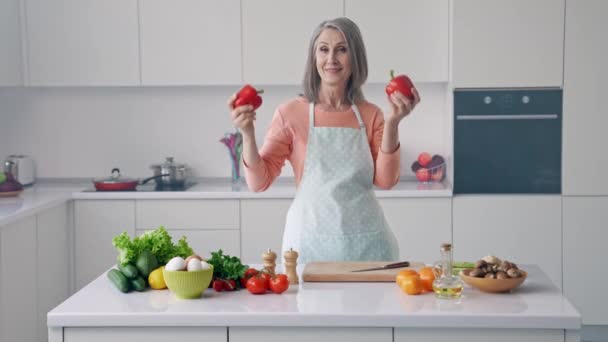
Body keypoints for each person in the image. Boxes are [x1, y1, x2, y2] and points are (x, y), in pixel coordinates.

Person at [227, 17, 420, 263]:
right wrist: (247, 133)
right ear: (314, 57)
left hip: (368, 247)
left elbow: (386, 180)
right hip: (309, 246)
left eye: (342, 49)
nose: (331, 59)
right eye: (324, 49)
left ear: (355, 58)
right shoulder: (290, 113)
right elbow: (258, 182)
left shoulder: (371, 115)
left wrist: (393, 122)